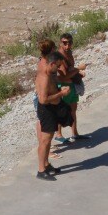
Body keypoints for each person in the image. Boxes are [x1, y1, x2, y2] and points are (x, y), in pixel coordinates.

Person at [33, 50, 68, 180]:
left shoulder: (50, 74)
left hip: (52, 109)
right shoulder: (45, 78)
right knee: (45, 140)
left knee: (48, 139)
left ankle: (46, 165)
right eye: (57, 66)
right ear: (52, 63)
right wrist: (61, 94)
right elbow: (43, 100)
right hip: (46, 110)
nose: (58, 68)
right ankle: (41, 170)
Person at [56, 33, 88, 147]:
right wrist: (79, 68)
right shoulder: (59, 56)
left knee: (73, 109)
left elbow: (71, 69)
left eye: (69, 42)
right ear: (60, 43)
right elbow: (64, 75)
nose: (67, 45)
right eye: (65, 43)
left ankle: (75, 133)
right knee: (61, 111)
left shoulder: (69, 53)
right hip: (63, 86)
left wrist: (77, 72)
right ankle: (59, 135)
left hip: (72, 85)